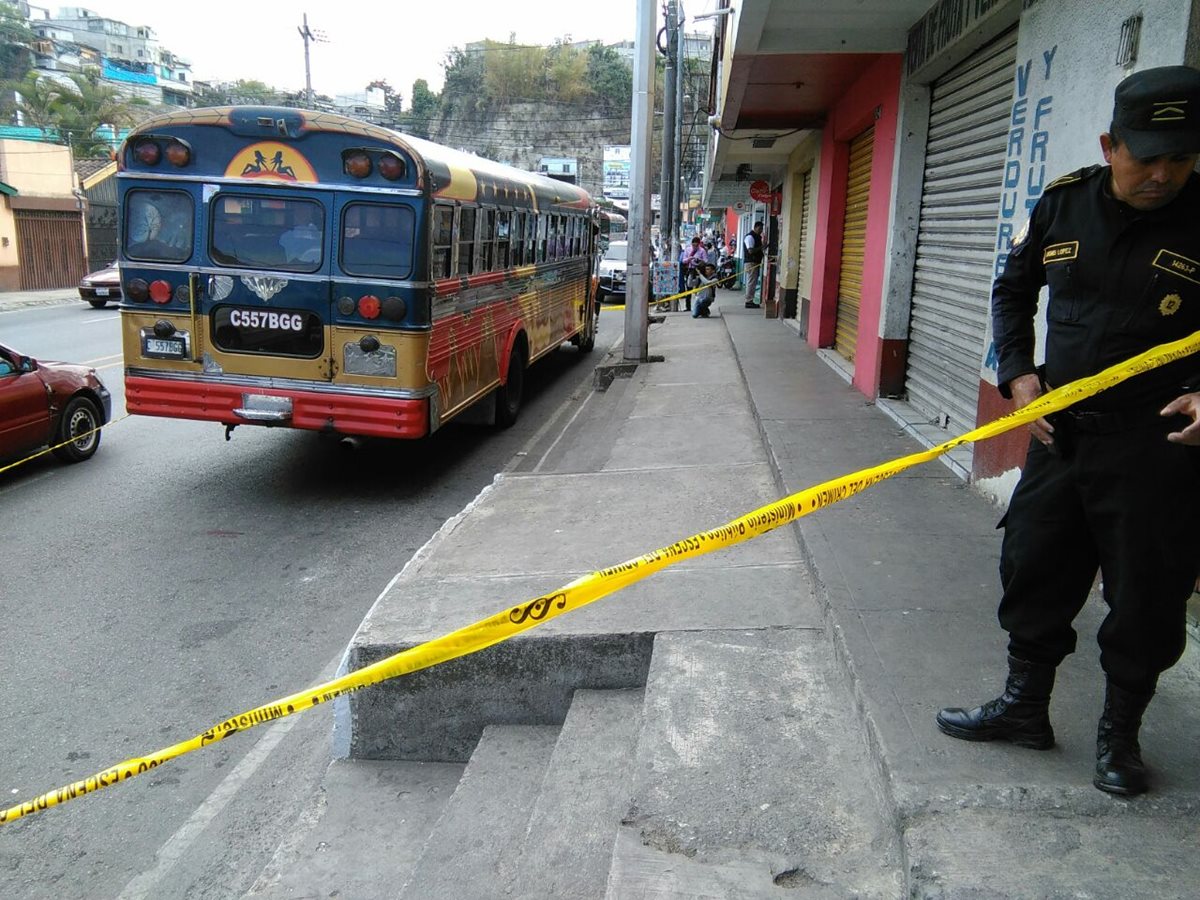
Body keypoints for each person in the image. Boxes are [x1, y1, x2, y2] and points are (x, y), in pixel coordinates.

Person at [935, 66, 1200, 798]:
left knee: (1145, 596)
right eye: (1146, 155)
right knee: (1033, 569)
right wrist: (1019, 375)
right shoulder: (1063, 205)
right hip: (1061, 435)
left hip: (1157, 449)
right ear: (1110, 144)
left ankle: (1121, 738)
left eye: (1179, 157)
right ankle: (1025, 709)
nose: (1163, 172)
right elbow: (1013, 290)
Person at [743, 221, 765, 308]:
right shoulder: (750, 237)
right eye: (759, 229)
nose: (761, 231)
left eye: (762, 229)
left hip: (754, 262)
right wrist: (761, 247)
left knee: (753, 282)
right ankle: (749, 301)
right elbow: (750, 251)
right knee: (751, 282)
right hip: (751, 262)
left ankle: (749, 300)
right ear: (755, 227)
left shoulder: (756, 237)